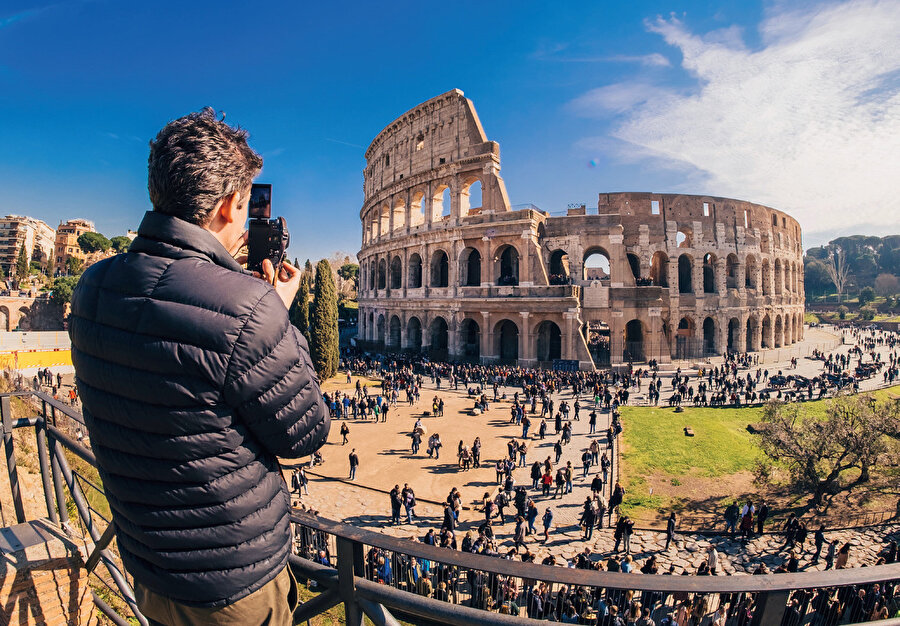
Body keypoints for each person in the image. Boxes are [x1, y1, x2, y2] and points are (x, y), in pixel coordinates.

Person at [68, 108, 329, 625]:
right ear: (230, 205)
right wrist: (277, 309)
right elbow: (305, 433)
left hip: (148, 563)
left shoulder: (93, 288)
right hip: (233, 580)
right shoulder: (247, 307)